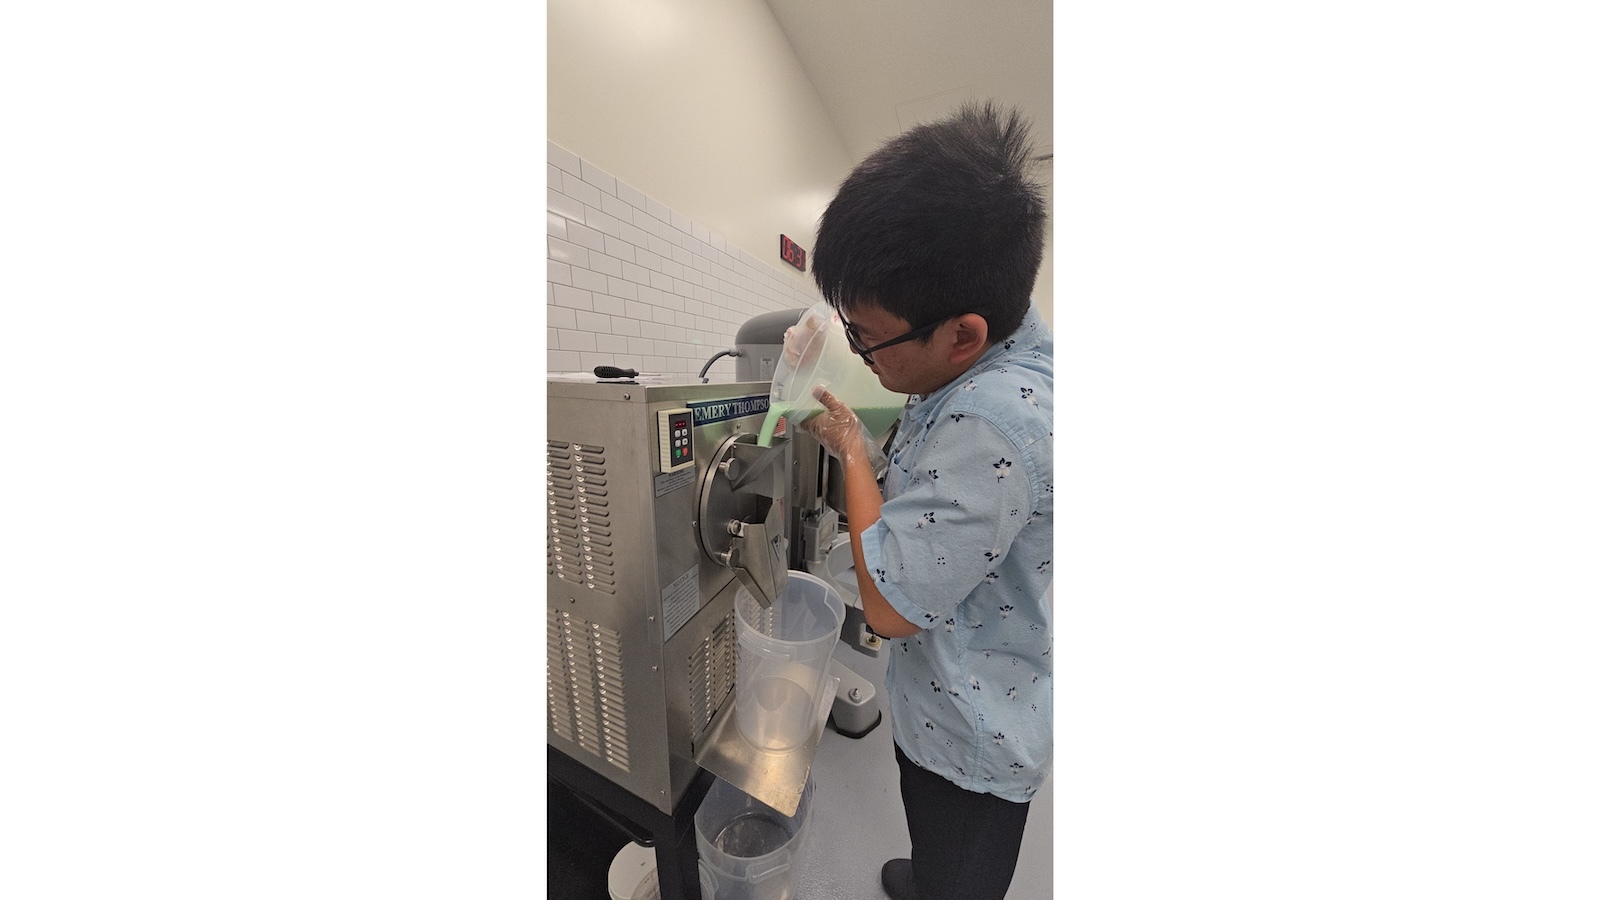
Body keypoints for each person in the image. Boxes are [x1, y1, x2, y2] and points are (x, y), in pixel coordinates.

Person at [801, 101, 1053, 900]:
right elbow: (926, 492)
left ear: (962, 333)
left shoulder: (994, 421)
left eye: (867, 338)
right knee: (931, 836)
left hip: (975, 734)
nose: (861, 354)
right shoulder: (986, 360)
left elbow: (888, 607)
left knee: (959, 858)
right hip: (945, 694)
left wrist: (848, 454)